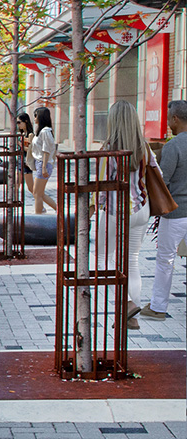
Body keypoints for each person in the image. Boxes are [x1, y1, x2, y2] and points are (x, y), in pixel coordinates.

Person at [97, 101, 155, 330]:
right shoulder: (144, 147)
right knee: (132, 260)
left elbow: (102, 185)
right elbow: (156, 174)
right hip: (141, 209)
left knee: (102, 259)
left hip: (115, 210)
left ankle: (126, 303)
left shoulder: (109, 148)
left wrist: (94, 208)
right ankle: (132, 316)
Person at [142, 100, 187, 320]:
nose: (168, 123)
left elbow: (164, 181)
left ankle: (158, 308)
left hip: (176, 213)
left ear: (176, 119)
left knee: (165, 260)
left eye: (169, 118)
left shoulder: (173, 146)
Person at [30, 107, 58, 214]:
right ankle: (55, 209)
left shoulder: (45, 131)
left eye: (36, 115)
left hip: (43, 163)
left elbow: (46, 150)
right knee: (39, 193)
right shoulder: (42, 131)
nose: (35, 118)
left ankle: (38, 215)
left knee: (37, 193)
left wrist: (43, 167)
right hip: (41, 163)